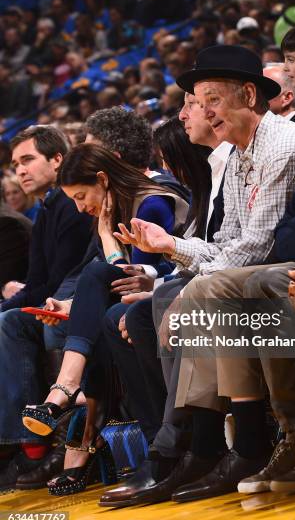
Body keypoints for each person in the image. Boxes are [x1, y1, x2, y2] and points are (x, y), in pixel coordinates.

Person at [101, 44, 295, 506]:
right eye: (199, 102)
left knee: (206, 290)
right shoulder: (237, 153)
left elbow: (260, 246)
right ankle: (209, 445)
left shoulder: (283, 148)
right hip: (254, 273)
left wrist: (188, 281)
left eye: (211, 100)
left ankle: (225, 444)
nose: (202, 112)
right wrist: (169, 246)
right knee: (201, 291)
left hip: (293, 270)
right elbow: (229, 243)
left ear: (249, 95)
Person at [21, 144, 189, 495]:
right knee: (101, 309)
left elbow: (136, 274)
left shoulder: (151, 203)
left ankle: (69, 404)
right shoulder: (119, 209)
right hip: (144, 296)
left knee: (105, 296)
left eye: (82, 196)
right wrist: (72, 306)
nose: (82, 208)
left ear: (102, 179)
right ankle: (82, 417)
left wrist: (104, 235)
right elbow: (115, 283)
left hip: (176, 289)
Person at [100, 97, 232, 506]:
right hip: (204, 277)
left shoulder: (160, 199)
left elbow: (228, 252)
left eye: (170, 159)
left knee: (137, 308)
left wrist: (158, 282)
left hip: (232, 282)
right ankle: (166, 439)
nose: (167, 168)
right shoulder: (198, 192)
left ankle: (177, 445)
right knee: (128, 314)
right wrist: (161, 284)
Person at [0, 126, 93, 491]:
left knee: (11, 323)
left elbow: (58, 281)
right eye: (15, 164)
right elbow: (40, 281)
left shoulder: (72, 206)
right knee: (8, 318)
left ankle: (36, 443)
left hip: (73, 300)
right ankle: (20, 442)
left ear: (58, 160)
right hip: (54, 295)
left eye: (28, 160)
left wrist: (12, 305)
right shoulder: (46, 209)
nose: (19, 171)